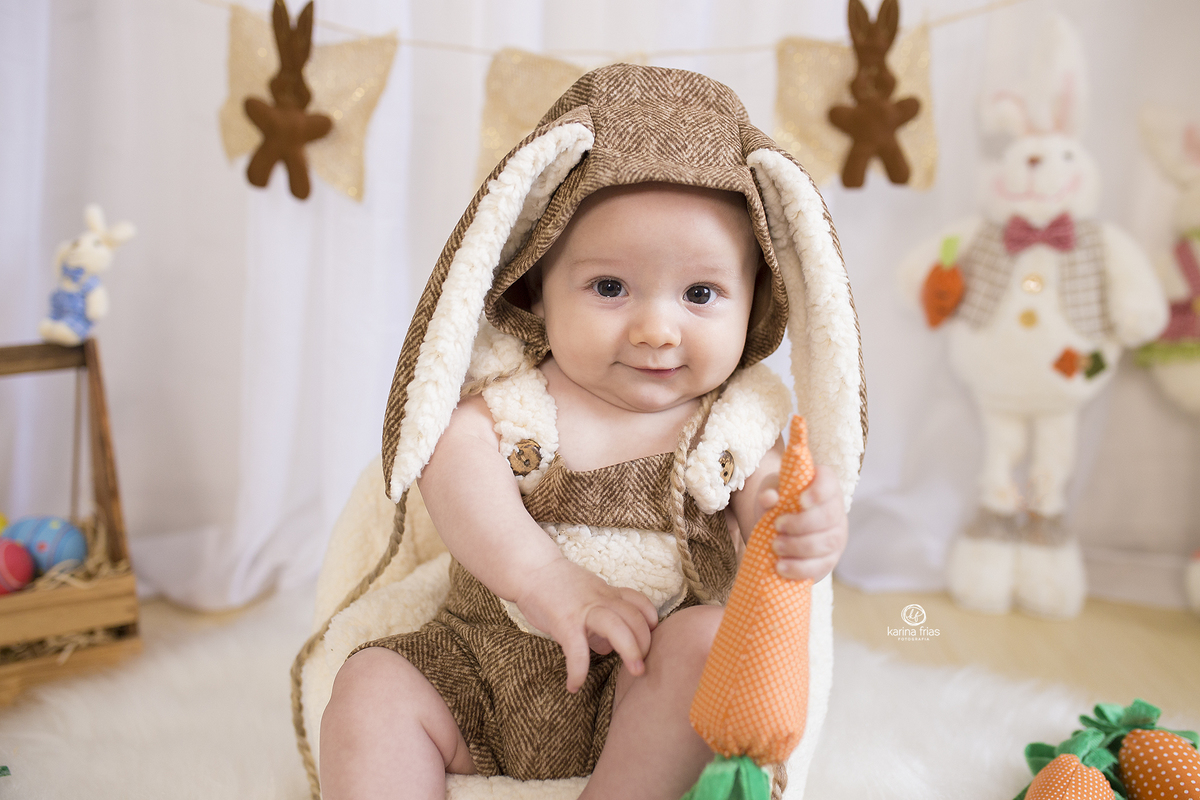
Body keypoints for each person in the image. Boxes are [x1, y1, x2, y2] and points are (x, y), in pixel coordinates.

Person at [315, 64, 858, 800]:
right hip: (478, 671)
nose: (656, 329)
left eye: (700, 293)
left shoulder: (731, 423)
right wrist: (546, 579)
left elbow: (769, 503)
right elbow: (449, 458)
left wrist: (801, 524)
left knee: (707, 647)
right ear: (536, 288)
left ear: (757, 300)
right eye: (610, 288)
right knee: (372, 683)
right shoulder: (521, 402)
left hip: (638, 692)